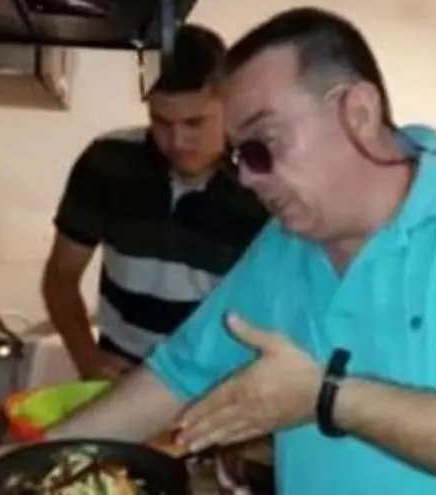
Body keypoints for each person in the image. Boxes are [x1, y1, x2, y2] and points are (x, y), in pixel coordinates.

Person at [53, 7, 436, 494]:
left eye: (263, 144)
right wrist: (25, 463)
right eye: (239, 154)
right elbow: (174, 377)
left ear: (357, 113)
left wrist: (329, 397)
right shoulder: (285, 247)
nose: (247, 177)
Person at [42, 24, 269, 381]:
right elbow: (61, 276)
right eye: (160, 122)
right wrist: (88, 360)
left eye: (194, 123)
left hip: (217, 389)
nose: (177, 141)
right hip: (121, 381)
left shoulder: (264, 183)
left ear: (229, 104)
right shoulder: (107, 163)